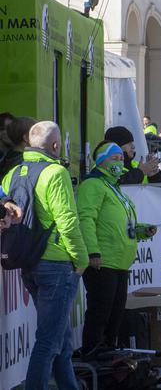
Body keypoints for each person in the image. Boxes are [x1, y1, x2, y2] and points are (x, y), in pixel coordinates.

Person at [2, 121, 88, 390]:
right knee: (49, 342)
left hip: (29, 261)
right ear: (55, 145)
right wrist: (81, 259)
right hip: (57, 263)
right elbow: (68, 221)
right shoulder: (56, 172)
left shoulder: (13, 172)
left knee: (61, 341)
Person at [77, 142, 158, 356]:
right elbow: (86, 219)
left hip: (120, 263)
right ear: (101, 161)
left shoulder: (114, 188)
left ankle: (109, 359)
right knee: (100, 313)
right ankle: (93, 356)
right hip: (103, 261)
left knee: (115, 316)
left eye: (121, 159)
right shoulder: (93, 185)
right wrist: (93, 252)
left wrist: (141, 231)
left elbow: (123, 223)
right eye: (114, 158)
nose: (119, 162)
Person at [1, 115, 36, 180]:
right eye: (35, 133)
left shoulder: (6, 158)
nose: (39, 137)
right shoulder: (25, 163)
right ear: (26, 138)